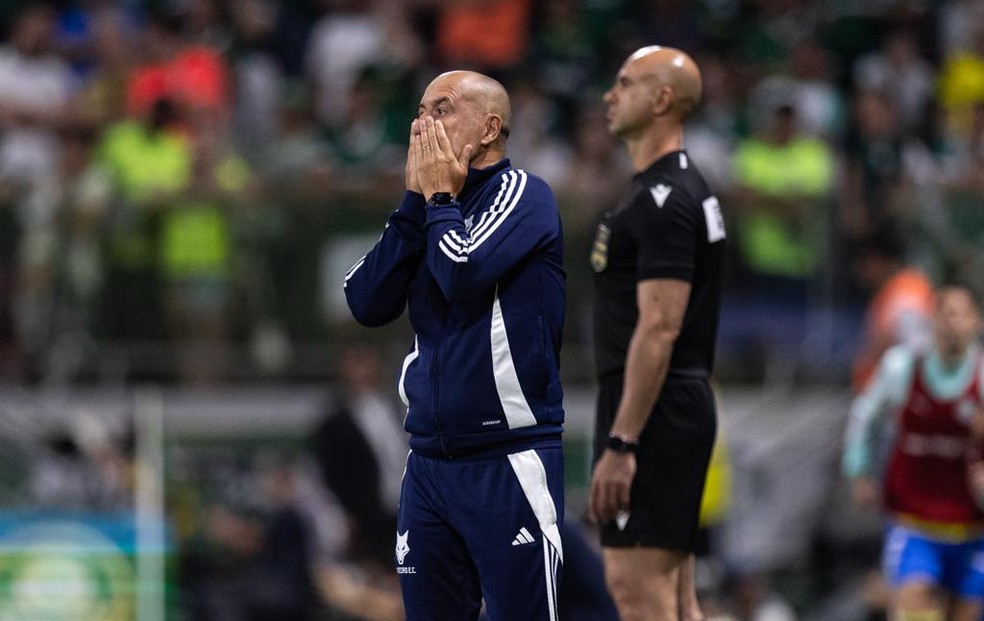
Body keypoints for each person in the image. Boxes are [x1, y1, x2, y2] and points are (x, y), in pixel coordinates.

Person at [343, 70, 566, 620]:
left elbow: (461, 271)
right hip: (427, 464)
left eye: (441, 110)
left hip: (507, 457)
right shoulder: (427, 211)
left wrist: (439, 196)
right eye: (420, 111)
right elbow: (365, 301)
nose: (423, 125)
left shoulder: (524, 195)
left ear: (489, 129)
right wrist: (413, 204)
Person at [588, 46, 727, 621]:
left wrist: (623, 443)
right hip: (666, 404)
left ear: (662, 98)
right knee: (674, 599)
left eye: (626, 83)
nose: (610, 95)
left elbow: (661, 326)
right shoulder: (670, 189)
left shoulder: (665, 200)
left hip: (654, 409)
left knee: (637, 590)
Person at [843, 285, 984, 621]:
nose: (952, 323)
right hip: (914, 520)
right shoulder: (903, 366)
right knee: (914, 600)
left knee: (966, 613)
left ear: (976, 322)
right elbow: (864, 415)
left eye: (961, 314)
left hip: (971, 525)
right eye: (945, 314)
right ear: (932, 321)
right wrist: (858, 470)